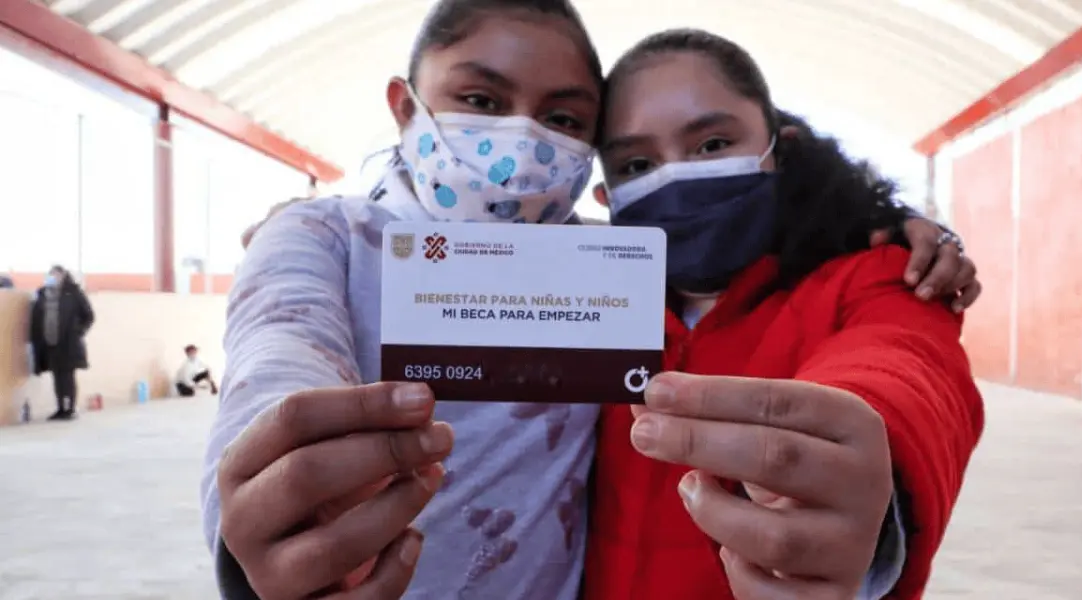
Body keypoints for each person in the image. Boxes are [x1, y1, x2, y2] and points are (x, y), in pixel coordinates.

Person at [208, 1, 982, 598]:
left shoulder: (610, 276)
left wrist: (859, 472)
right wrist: (275, 495)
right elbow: (279, 348)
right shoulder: (336, 241)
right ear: (407, 106)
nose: (518, 142)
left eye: (563, 120)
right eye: (480, 98)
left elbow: (900, 365)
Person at [577, 28, 985, 600]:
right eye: (637, 162)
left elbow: (905, 365)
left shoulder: (876, 277)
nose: (675, 175)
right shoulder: (583, 301)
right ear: (607, 197)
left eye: (713, 145)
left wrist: (859, 465)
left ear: (781, 151)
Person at [29, 265, 94, 421]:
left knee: (67, 377)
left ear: (64, 276)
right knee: (57, 377)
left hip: (68, 343)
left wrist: (77, 331)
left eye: (56, 275)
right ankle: (60, 408)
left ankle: (69, 408)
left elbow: (89, 316)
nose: (53, 277)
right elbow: (36, 317)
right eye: (51, 274)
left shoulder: (73, 293)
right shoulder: (43, 294)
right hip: (50, 342)